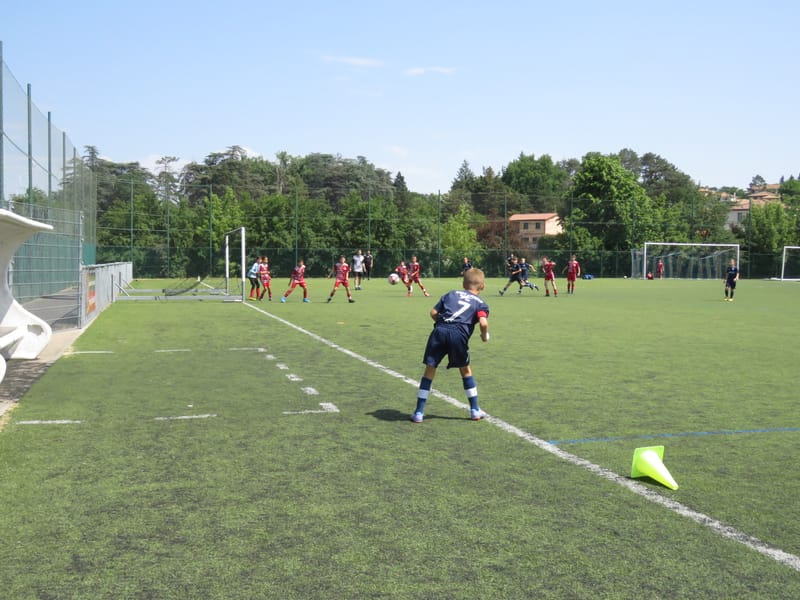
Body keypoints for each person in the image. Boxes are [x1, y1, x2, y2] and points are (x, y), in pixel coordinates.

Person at [411, 267, 490, 423]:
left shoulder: (451, 294)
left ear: (463, 283)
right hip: (458, 335)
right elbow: (483, 322)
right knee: (465, 370)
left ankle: (419, 412)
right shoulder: (481, 303)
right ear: (483, 286)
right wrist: (483, 334)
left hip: (439, 331)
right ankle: (474, 410)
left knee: (429, 370)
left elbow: (433, 312)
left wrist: (442, 324)